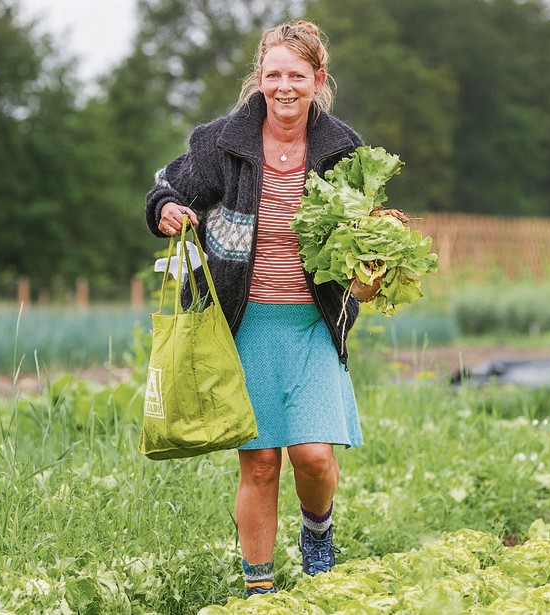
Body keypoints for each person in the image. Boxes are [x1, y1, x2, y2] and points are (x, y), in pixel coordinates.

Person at [145, 19, 365, 598]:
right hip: (241, 327)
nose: (284, 86)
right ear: (258, 79)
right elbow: (168, 186)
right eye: (273, 75)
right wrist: (166, 208)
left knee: (313, 456)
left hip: (313, 325)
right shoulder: (223, 142)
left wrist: (369, 276)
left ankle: (317, 532)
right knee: (261, 462)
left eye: (297, 75)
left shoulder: (344, 150)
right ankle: (259, 592)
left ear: (318, 79)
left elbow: (362, 240)